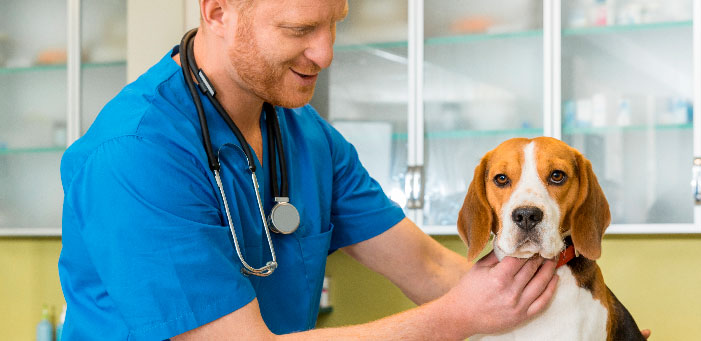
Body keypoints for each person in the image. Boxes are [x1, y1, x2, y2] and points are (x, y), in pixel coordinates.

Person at [58, 0, 562, 339]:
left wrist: (584, 316)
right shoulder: (135, 152)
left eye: (334, 21)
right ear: (217, 11)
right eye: (300, 29)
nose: (326, 53)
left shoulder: (306, 134)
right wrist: (455, 319)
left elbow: (432, 269)